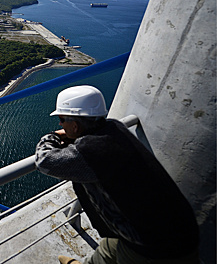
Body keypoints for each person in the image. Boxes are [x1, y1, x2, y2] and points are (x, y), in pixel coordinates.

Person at [35, 85, 199, 264]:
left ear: (75, 126)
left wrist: (51, 137)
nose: (60, 124)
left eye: (61, 119)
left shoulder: (92, 152)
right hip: (178, 226)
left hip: (154, 246)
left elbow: (45, 162)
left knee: (121, 252)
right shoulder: (114, 127)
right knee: (107, 249)